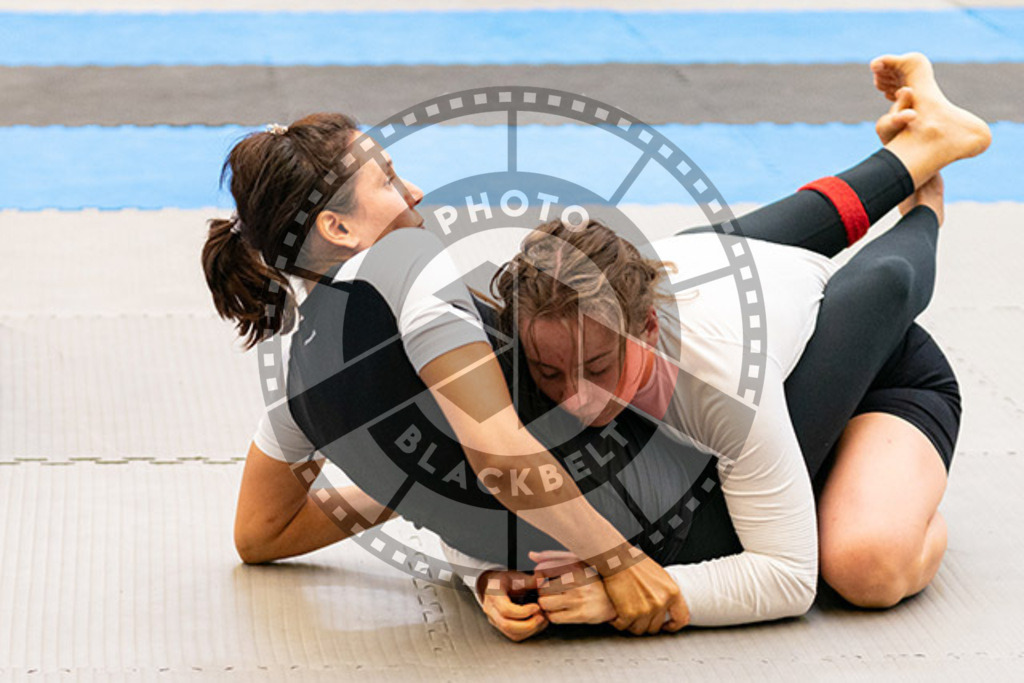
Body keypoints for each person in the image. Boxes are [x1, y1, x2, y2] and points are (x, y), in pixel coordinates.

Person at [200, 53, 988, 639]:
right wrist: (489, 547)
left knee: (860, 559)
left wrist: (614, 578)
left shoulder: (306, 373)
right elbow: (494, 448)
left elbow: (261, 534)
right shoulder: (405, 263)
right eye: (387, 180)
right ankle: (922, 153)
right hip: (694, 436)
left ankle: (927, 176)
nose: (413, 194)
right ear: (338, 227)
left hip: (759, 392)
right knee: (696, 266)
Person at [444, 53, 984, 639]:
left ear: (647, 330)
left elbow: (788, 578)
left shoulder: (721, 371)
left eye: (598, 368)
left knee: (862, 566)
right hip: (737, 306)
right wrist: (486, 577)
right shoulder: (554, 332)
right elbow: (457, 489)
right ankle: (922, 144)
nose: (574, 398)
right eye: (551, 373)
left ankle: (924, 193)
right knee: (732, 250)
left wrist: (622, 594)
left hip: (879, 375)